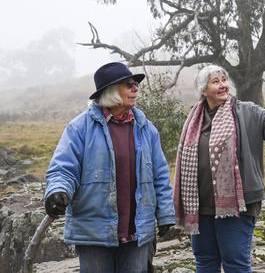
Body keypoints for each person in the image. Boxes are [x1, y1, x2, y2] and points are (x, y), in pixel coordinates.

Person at [174, 65, 265, 272]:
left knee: (235, 264)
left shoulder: (247, 111)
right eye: (216, 81)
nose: (222, 85)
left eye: (223, 80)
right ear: (204, 90)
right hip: (200, 208)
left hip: (238, 206)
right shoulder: (194, 119)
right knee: (204, 261)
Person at [44, 62, 175, 273]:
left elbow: (160, 174)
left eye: (135, 84)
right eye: (129, 84)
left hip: (137, 231)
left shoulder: (146, 128)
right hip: (95, 232)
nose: (136, 88)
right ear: (111, 91)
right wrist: (57, 191)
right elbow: (63, 169)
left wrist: (166, 213)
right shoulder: (80, 128)